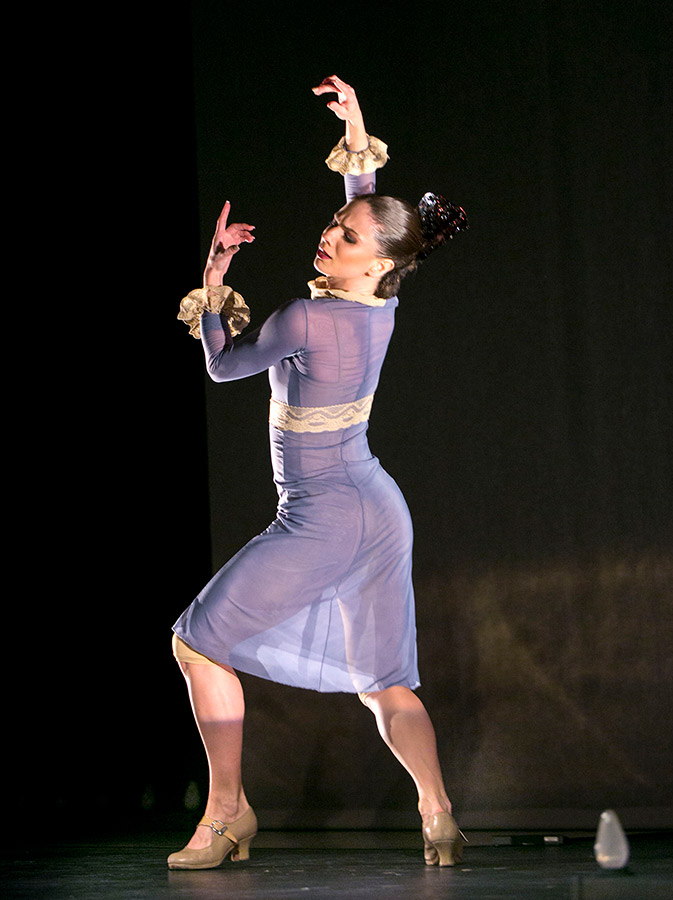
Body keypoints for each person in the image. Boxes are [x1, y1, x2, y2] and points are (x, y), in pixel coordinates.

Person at [169, 75, 468, 870]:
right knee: (383, 681)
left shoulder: (305, 317)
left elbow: (224, 366)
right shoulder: (383, 302)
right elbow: (370, 206)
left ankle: (227, 814)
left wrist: (212, 284)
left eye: (345, 237)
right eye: (333, 225)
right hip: (375, 506)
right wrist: (357, 127)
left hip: (326, 514)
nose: (329, 236)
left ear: (377, 263)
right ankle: (437, 815)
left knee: (197, 643)